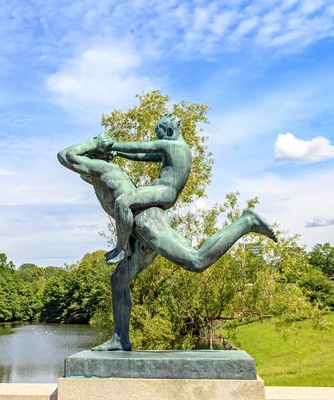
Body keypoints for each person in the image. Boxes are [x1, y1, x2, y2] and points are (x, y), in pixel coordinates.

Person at [58, 136, 277, 351]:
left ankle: (247, 222)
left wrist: (95, 144)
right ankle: (120, 339)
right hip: (140, 231)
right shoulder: (100, 176)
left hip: (147, 223)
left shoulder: (105, 170)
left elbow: (66, 156)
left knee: (196, 261)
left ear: (95, 157)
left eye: (88, 158)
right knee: (119, 279)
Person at [96, 114, 192, 264]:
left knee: (123, 202)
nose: (160, 141)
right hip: (164, 191)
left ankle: (122, 248)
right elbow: (143, 155)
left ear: (169, 131)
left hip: (164, 191)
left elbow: (142, 146)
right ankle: (134, 241)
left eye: (161, 137)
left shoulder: (173, 146)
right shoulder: (179, 149)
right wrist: (118, 153)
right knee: (132, 206)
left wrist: (112, 145)